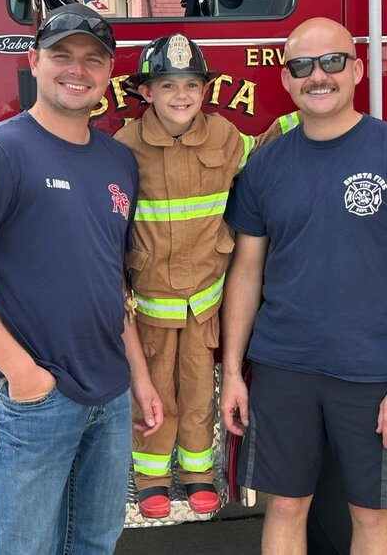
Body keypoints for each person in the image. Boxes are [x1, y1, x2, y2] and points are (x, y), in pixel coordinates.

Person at [0, 3, 163, 555]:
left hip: (109, 393)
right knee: (26, 548)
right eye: (62, 56)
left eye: (92, 60)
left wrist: (139, 378)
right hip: (34, 399)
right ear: (34, 62)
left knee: (95, 543)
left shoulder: (117, 161)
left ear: (109, 73)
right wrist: (22, 374)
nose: (76, 70)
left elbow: (111, 282)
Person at [219, 17, 387, 555]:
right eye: (301, 66)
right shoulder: (264, 164)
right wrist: (234, 372)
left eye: (331, 62)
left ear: (357, 69)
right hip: (283, 366)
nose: (317, 76)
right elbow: (247, 274)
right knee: (283, 506)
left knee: (372, 515)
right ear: (286, 79)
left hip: (373, 372)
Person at [114, 33, 280, 519]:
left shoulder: (225, 136)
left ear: (205, 91)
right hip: (150, 302)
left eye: (190, 84)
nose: (181, 95)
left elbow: (261, 152)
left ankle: (198, 473)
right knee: (153, 392)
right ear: (146, 92)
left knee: (198, 389)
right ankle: (149, 479)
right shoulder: (125, 148)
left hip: (205, 299)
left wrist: (300, 120)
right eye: (167, 85)